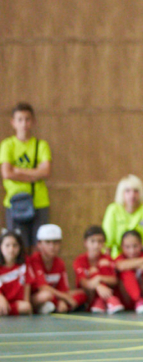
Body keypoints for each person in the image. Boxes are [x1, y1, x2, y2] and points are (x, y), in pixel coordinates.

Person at [1, 102, 52, 247]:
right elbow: (7, 173)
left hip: (39, 201)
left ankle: (35, 271)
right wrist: (34, 174)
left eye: (27, 119)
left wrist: (19, 170)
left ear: (33, 121)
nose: (24, 123)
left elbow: (46, 171)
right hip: (15, 202)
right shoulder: (7, 145)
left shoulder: (41, 145)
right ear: (13, 122)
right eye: (20, 119)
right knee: (17, 245)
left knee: (39, 245)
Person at [27, 224, 86, 314]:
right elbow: (42, 287)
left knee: (82, 293)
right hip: (39, 297)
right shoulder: (34, 260)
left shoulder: (60, 262)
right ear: (39, 244)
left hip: (55, 296)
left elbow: (63, 289)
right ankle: (49, 307)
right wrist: (65, 298)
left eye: (55, 242)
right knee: (45, 296)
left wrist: (62, 300)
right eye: (47, 242)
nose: (52, 246)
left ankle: (55, 307)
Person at [102, 174, 143, 258]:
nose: (132, 195)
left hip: (140, 258)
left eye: (136, 191)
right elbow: (107, 244)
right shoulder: (113, 209)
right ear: (121, 193)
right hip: (117, 258)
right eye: (127, 191)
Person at [73, 225, 124, 314]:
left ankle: (102, 301)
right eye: (92, 241)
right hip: (89, 296)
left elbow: (114, 280)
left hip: (107, 293)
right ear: (85, 243)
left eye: (100, 241)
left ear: (104, 243)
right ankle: (105, 300)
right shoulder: (79, 260)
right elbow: (83, 282)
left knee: (102, 267)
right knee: (93, 271)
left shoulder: (107, 259)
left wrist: (99, 278)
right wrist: (98, 286)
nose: (96, 245)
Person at [0, 229, 33, 317]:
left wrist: (26, 302)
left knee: (26, 307)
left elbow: (27, 284)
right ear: (1, 247)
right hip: (2, 302)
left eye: (15, 245)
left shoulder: (24, 263)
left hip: (17, 304)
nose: (11, 249)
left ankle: (7, 311)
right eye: (7, 245)